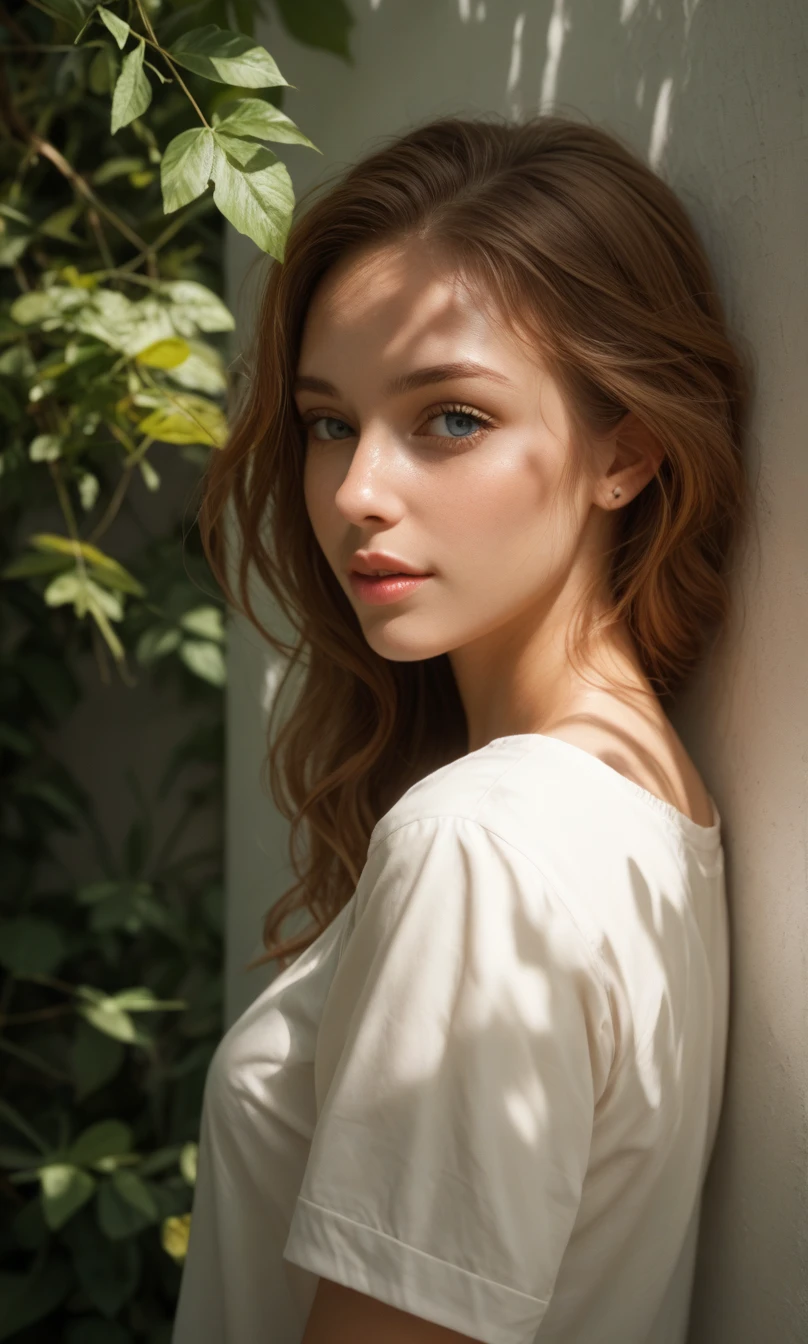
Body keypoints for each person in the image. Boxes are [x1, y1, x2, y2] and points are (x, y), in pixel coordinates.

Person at [171, 113, 752, 1344]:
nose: (356, 493)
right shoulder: (645, 803)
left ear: (626, 450)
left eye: (449, 419)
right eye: (329, 422)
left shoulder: (483, 847)